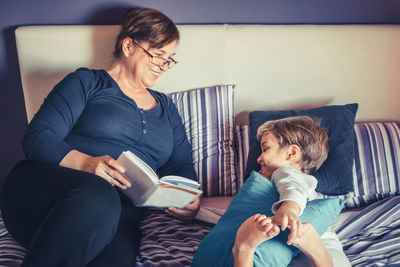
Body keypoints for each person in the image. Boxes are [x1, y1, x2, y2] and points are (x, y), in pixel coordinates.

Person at [0, 8, 200, 267]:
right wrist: (86, 163)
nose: (163, 66)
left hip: (119, 215)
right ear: (129, 45)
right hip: (48, 195)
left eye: (169, 59)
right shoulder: (87, 82)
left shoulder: (167, 107)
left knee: (116, 257)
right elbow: (37, 137)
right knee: (99, 195)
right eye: (158, 55)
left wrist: (187, 197)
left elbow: (180, 165)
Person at [232, 116, 351, 267]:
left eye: (265, 149)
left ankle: (321, 254)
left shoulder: (286, 172)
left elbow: (293, 188)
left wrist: (288, 210)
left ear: (291, 153)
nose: (259, 159)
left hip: (320, 240)